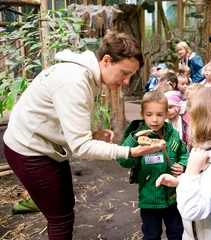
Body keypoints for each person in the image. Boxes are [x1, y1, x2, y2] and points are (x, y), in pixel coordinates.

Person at [3, 32, 166, 240]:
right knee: (60, 217)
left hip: (45, 145)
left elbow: (64, 120)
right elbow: (81, 147)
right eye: (125, 73)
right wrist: (131, 151)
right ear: (107, 61)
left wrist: (92, 133)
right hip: (28, 148)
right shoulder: (76, 81)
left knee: (64, 207)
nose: (126, 81)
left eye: (131, 75)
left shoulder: (86, 75)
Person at [156, 87, 211, 240]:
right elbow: (207, 189)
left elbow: (191, 210)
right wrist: (180, 182)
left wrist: (191, 171)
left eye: (191, 117)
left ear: (202, 121)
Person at [117, 90, 188, 240]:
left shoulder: (173, 135)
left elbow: (184, 153)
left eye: (160, 115)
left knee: (176, 232)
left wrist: (182, 164)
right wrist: (134, 139)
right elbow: (124, 161)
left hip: (173, 197)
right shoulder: (139, 137)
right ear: (142, 114)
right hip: (150, 199)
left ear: (166, 115)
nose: (154, 120)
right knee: (151, 235)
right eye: (149, 115)